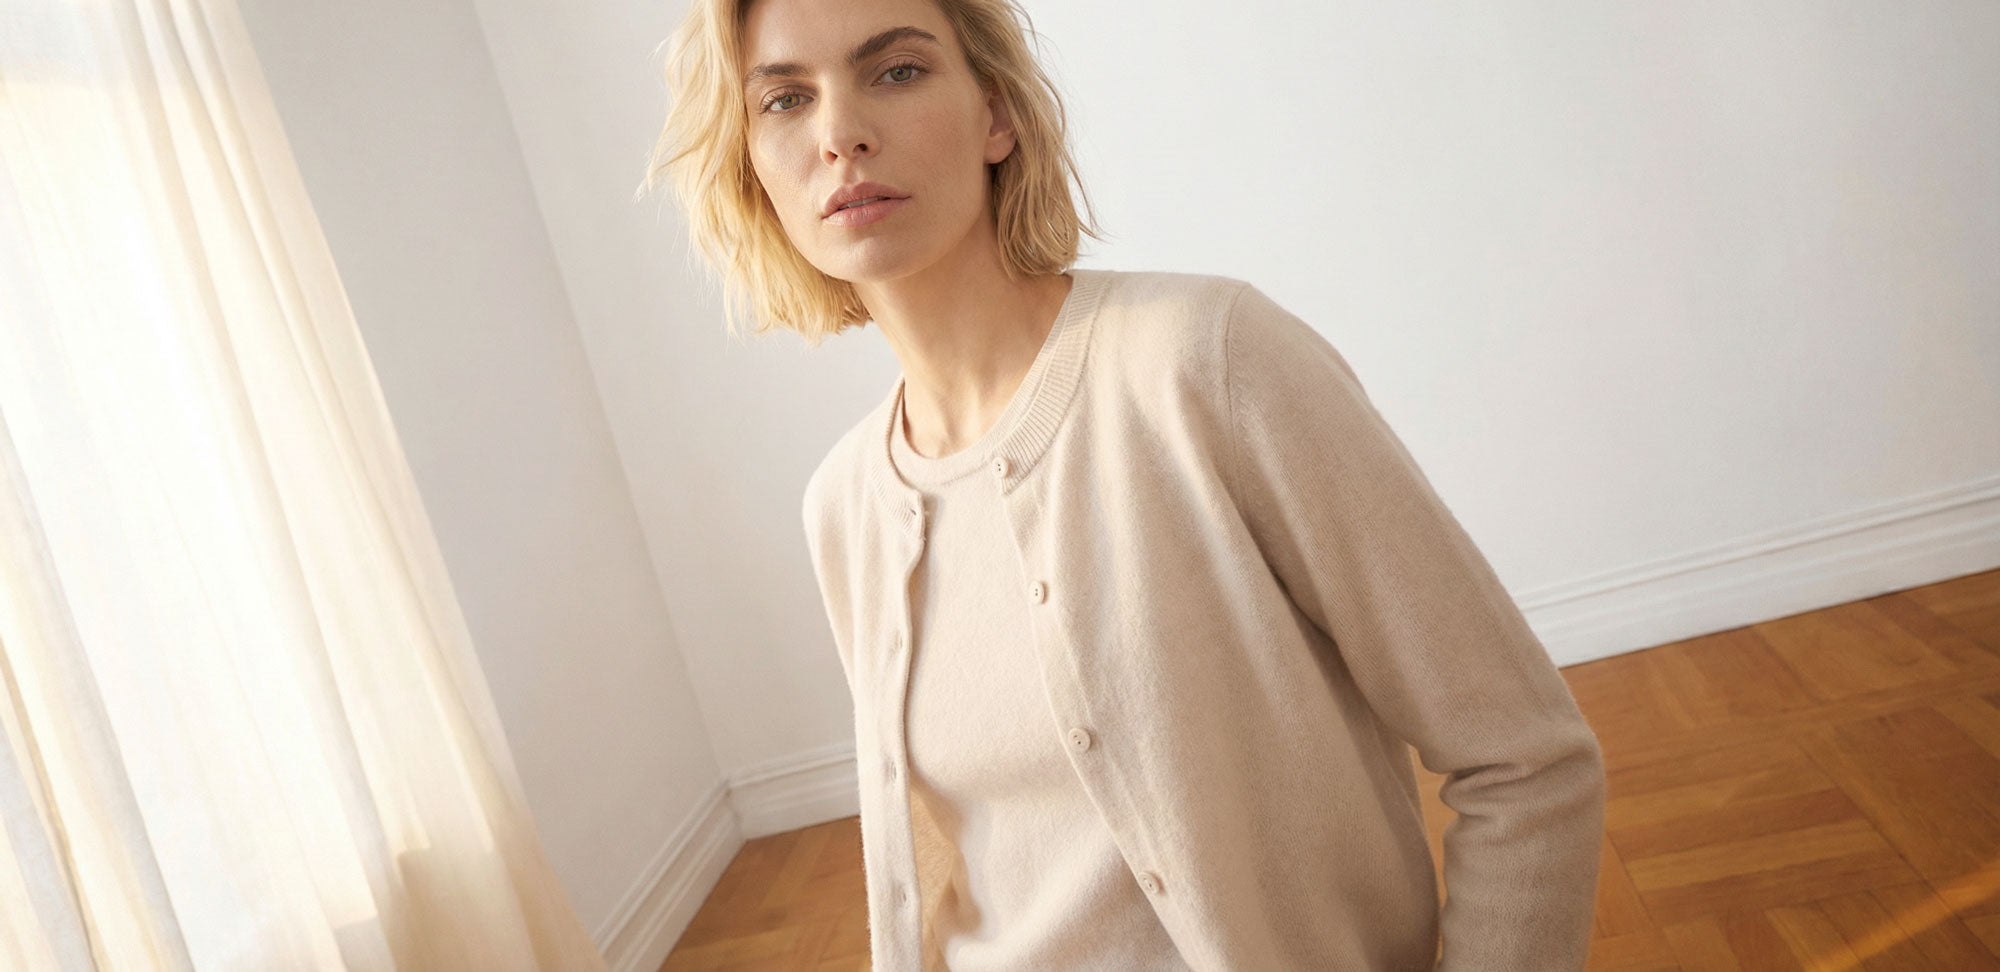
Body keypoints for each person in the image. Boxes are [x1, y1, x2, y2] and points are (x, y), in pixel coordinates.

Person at [641, 0, 1608, 968]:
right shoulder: (843, 506)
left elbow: (1525, 761)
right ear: (751, 168)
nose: (839, 133)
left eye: (895, 72)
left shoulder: (1208, 362)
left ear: (995, 115)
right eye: (782, 100)